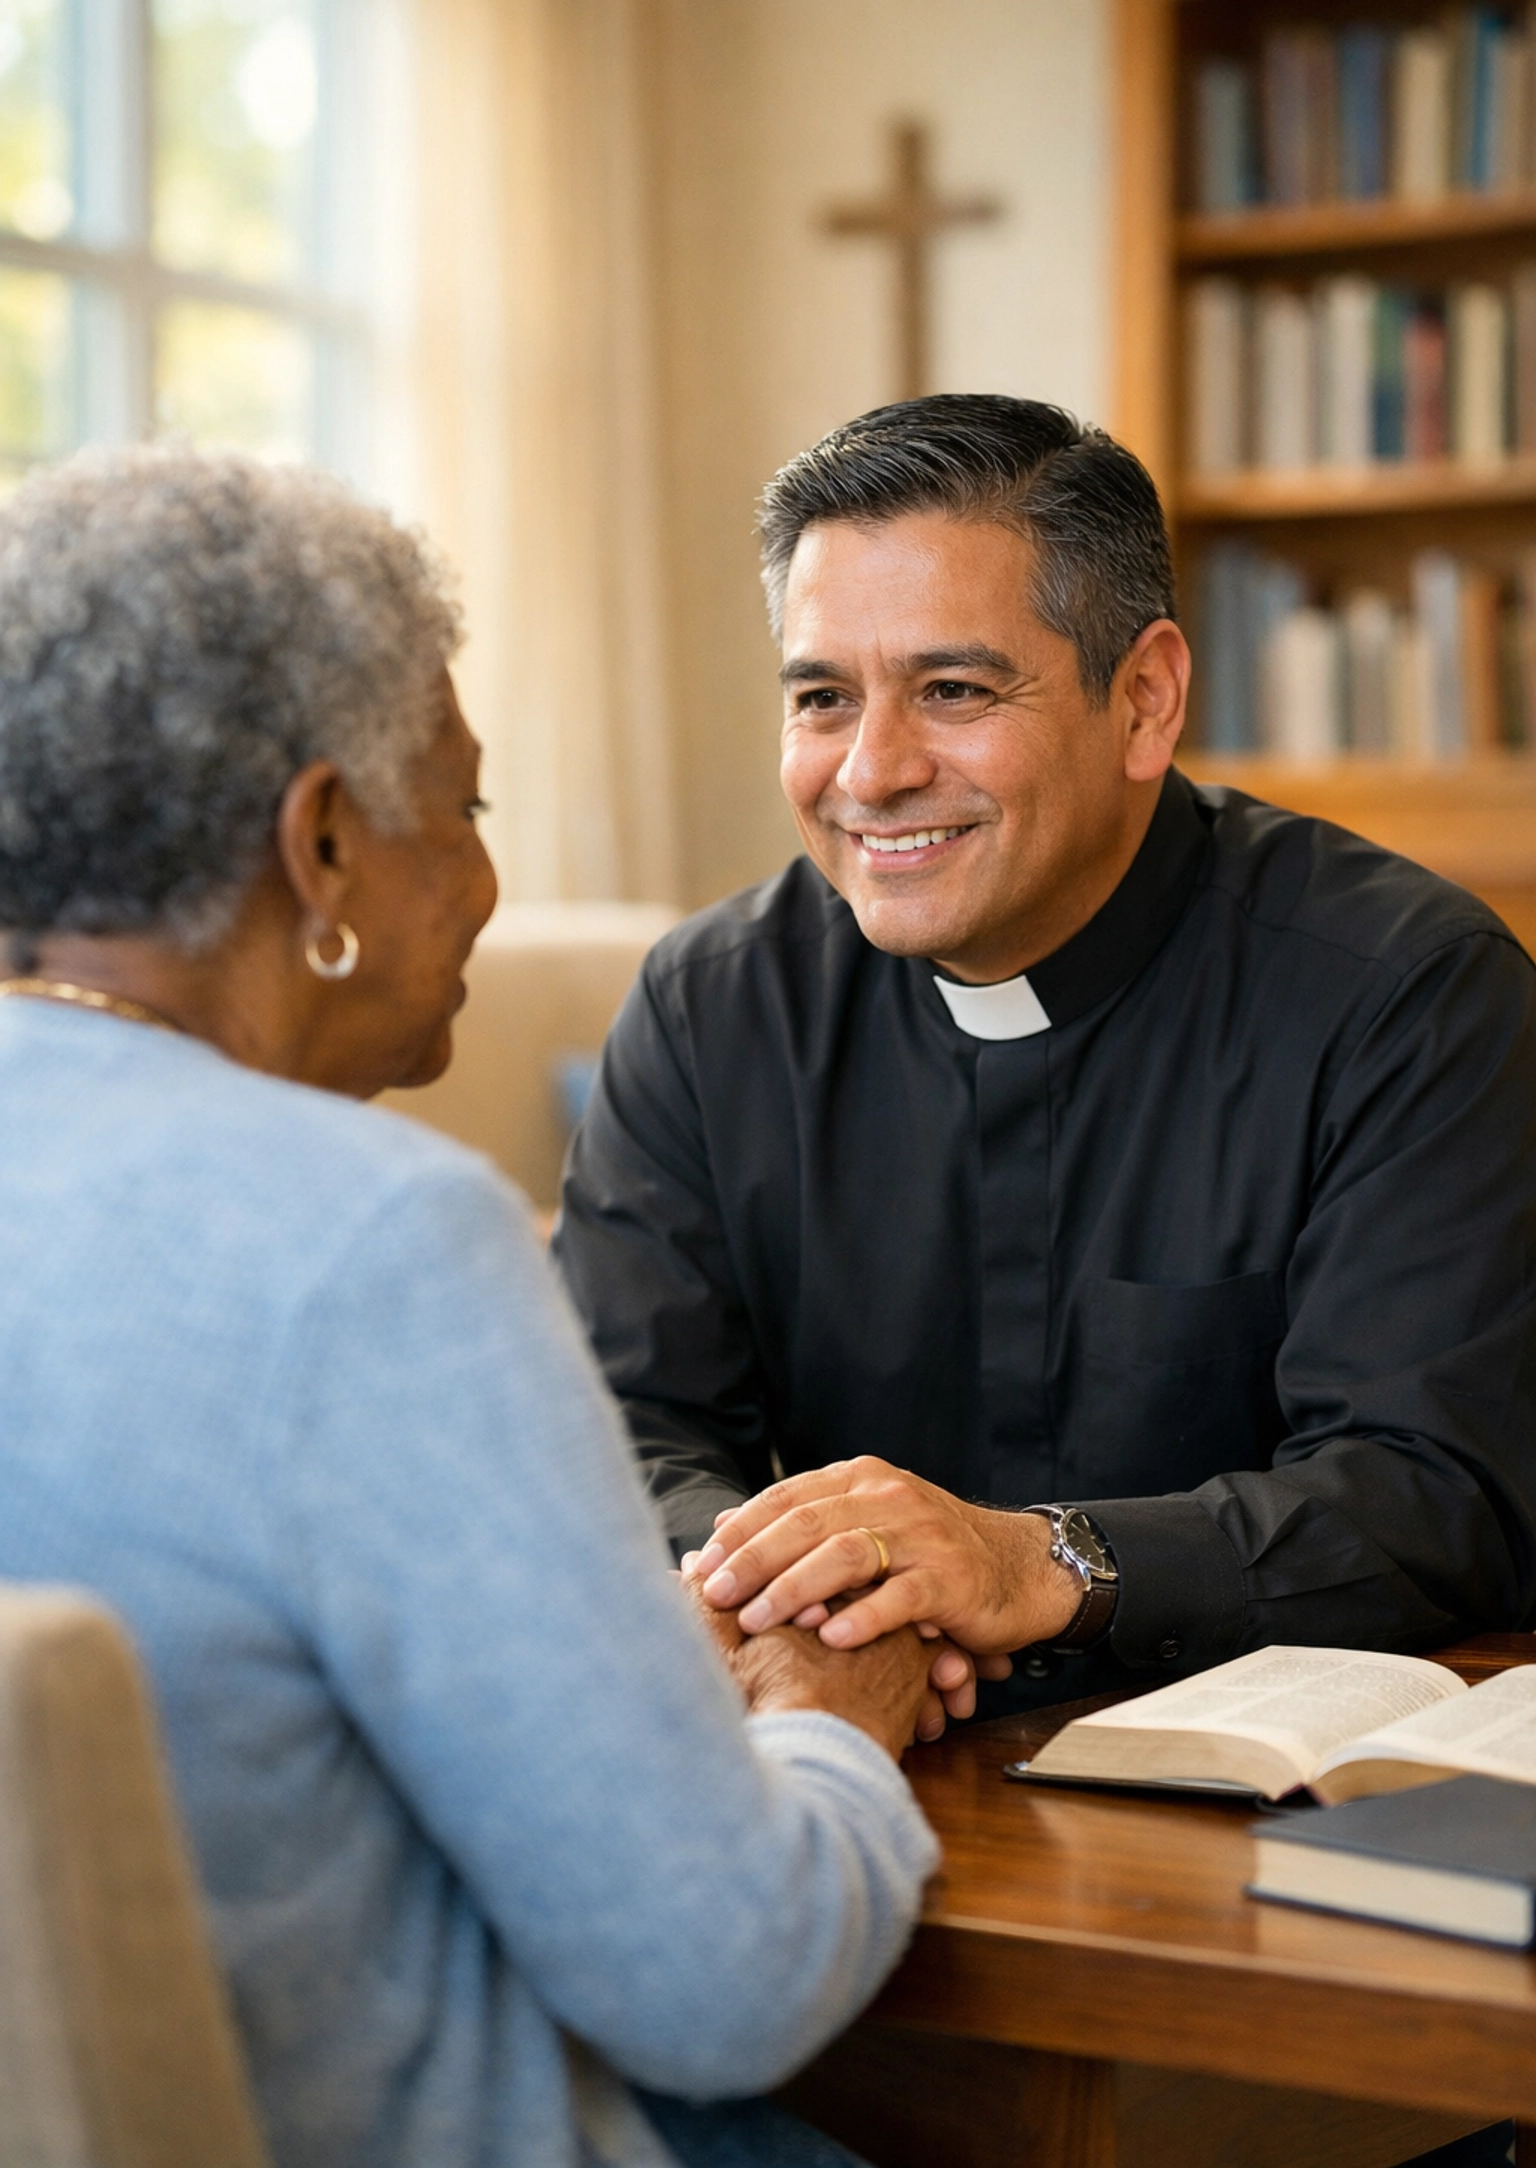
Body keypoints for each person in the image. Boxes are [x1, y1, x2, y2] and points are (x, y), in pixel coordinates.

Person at [0, 445, 945, 2168]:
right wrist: (833, 1710)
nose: (481, 878)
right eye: (467, 812)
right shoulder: (376, 1240)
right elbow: (729, 1979)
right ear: (323, 845)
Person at [553, 393, 1536, 1719]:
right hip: (851, 1738)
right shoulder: (708, 1006)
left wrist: (1036, 1563)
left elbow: (1440, 1491)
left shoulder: (1409, 994)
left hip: (1259, 1778)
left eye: (953, 691)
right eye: (823, 698)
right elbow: (613, 1435)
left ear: (1144, 700)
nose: (871, 772)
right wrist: (825, 1600)